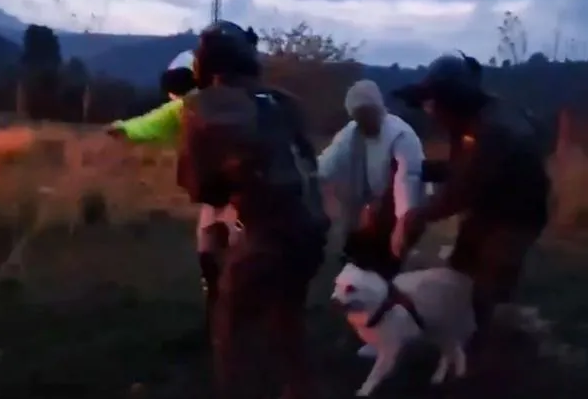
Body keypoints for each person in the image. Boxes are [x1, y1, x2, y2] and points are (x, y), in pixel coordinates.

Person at [177, 20, 328, 399]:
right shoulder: (284, 100)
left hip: (269, 231)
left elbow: (201, 188)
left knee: (232, 329)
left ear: (204, 64)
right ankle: (299, 389)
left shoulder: (204, 106)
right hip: (311, 231)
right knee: (288, 318)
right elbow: (305, 157)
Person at [390, 51, 551, 341]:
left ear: (453, 98)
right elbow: (461, 169)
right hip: (488, 209)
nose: (430, 111)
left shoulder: (494, 128)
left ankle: (495, 357)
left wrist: (419, 215)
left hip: (516, 216)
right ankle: (468, 338)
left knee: (489, 285)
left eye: (433, 102)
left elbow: (465, 186)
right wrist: (419, 169)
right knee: (459, 273)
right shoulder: (469, 123)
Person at [105, 57, 236, 337]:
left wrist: (122, 128)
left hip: (231, 197)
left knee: (218, 259)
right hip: (224, 195)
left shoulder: (190, 106)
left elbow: (150, 123)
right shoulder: (236, 101)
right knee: (217, 257)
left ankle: (225, 324)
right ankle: (221, 322)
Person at [317, 79, 426, 358]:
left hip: (400, 213)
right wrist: (304, 178)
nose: (364, 122)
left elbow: (407, 182)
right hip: (366, 214)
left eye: (369, 115)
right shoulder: (350, 134)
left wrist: (402, 225)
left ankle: (389, 336)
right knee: (358, 271)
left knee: (384, 274)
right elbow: (327, 163)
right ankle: (363, 328)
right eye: (358, 117)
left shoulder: (402, 136)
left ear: (380, 109)